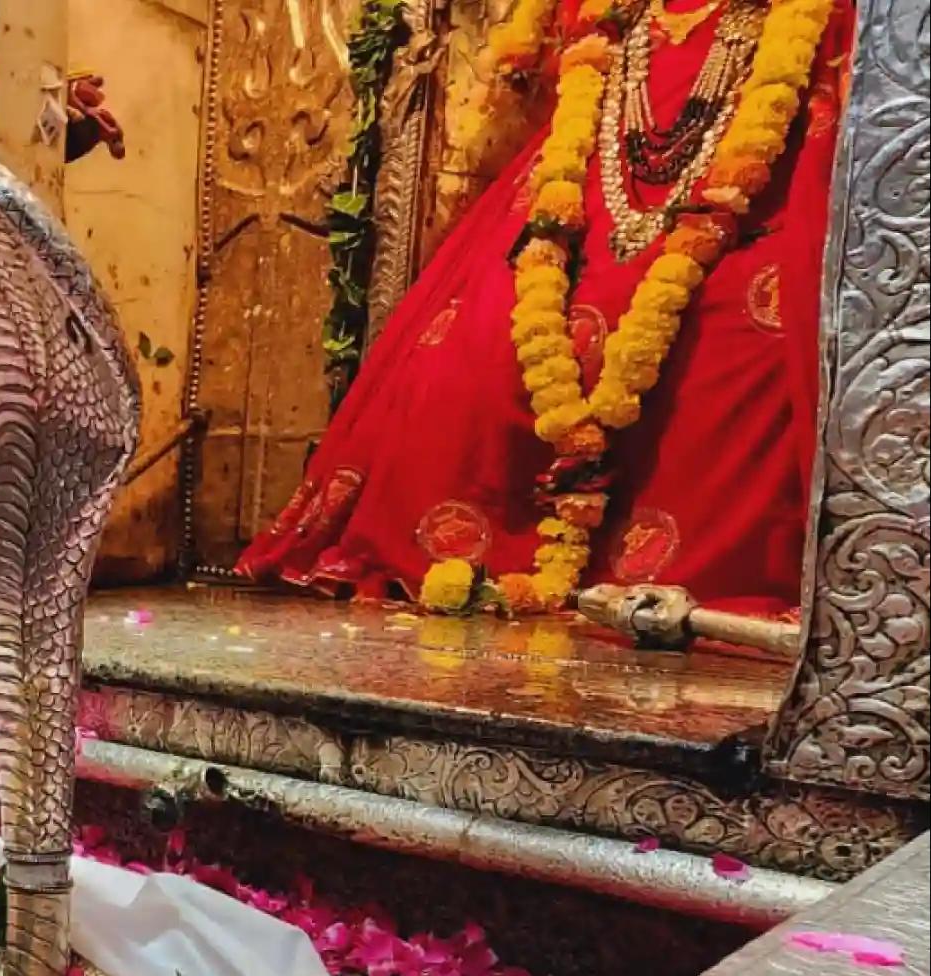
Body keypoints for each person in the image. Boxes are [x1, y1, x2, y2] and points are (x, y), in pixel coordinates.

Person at [238, 0, 852, 616]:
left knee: (747, 344)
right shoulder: (604, 17)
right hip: (588, 166)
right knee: (476, 340)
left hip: (759, 170)